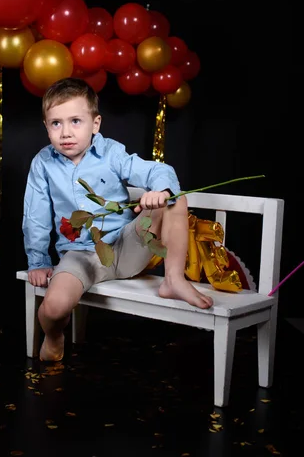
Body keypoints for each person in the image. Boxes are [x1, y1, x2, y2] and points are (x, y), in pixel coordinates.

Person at [22, 77, 213, 361]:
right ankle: (54, 334)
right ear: (46, 127)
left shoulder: (111, 153)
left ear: (95, 124)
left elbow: (156, 170)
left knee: (175, 197)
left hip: (126, 246)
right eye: (56, 123)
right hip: (80, 255)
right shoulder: (43, 163)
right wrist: (38, 261)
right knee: (53, 308)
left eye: (76, 121)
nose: (65, 132)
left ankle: (173, 280)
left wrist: (159, 192)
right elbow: (35, 214)